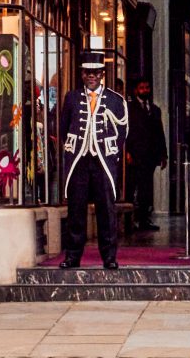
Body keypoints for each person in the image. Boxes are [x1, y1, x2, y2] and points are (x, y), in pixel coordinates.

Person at [59, 49, 129, 269]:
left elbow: (123, 131)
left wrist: (110, 153)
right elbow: (63, 128)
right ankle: (72, 257)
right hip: (79, 160)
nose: (91, 76)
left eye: (95, 72)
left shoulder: (115, 100)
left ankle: (109, 258)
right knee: (76, 209)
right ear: (82, 74)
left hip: (103, 162)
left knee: (106, 210)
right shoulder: (71, 98)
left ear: (102, 74)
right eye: (87, 72)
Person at [125, 79, 168, 230]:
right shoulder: (129, 109)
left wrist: (163, 154)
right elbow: (125, 132)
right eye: (141, 88)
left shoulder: (155, 109)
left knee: (146, 189)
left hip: (150, 156)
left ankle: (144, 219)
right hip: (134, 155)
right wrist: (126, 151)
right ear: (136, 90)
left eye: (147, 87)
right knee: (131, 187)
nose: (145, 90)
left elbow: (159, 133)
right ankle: (128, 221)